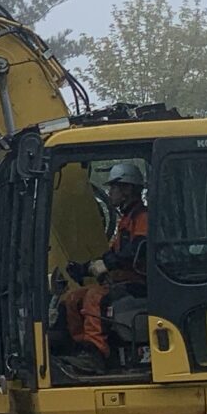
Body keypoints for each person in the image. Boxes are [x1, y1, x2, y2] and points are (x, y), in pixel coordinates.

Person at [58, 160, 149, 374]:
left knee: (95, 297)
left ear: (127, 189)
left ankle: (96, 354)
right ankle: (80, 349)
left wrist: (106, 264)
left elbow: (138, 251)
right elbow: (114, 254)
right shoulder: (126, 219)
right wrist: (84, 268)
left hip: (139, 283)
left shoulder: (142, 218)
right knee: (73, 298)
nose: (110, 192)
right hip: (123, 281)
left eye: (114, 187)